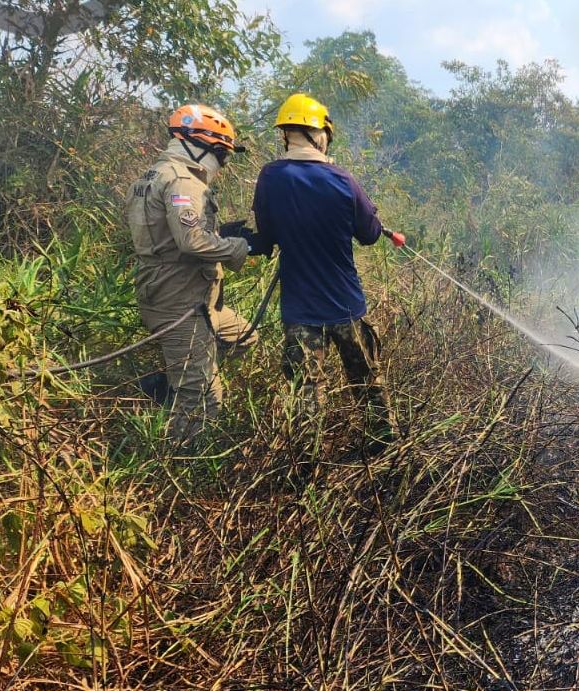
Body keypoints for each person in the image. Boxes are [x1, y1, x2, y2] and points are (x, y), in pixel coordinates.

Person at [245, 93, 394, 454]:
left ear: (286, 135)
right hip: (346, 306)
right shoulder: (342, 180)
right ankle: (384, 448)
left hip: (300, 312)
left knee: (306, 392)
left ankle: (306, 465)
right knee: (368, 382)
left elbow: (266, 237)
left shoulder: (270, 178)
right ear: (320, 134)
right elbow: (370, 235)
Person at [124, 104, 255, 445]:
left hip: (182, 295)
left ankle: (178, 372)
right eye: (223, 155)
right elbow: (190, 240)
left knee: (243, 336)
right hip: (179, 299)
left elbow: (167, 233)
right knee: (203, 397)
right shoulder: (183, 180)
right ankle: (184, 460)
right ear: (203, 145)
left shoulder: (153, 174)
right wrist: (239, 247)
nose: (222, 165)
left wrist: (222, 232)